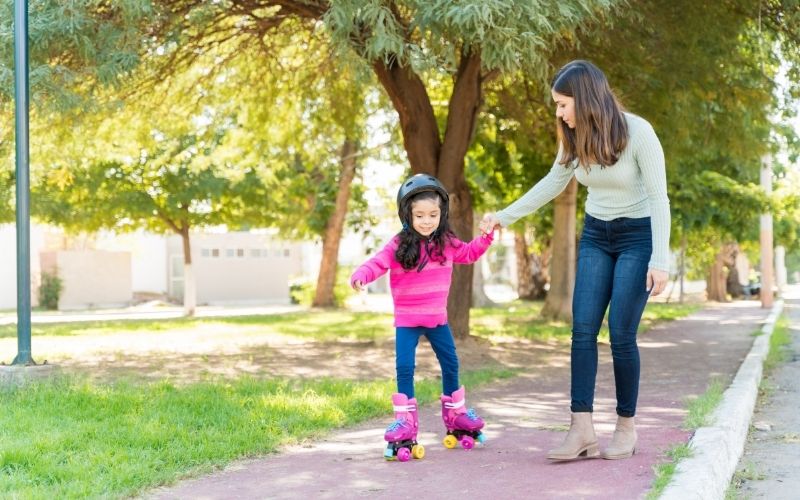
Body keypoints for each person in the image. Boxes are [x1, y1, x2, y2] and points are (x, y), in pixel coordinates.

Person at [480, 60, 670, 461]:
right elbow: (553, 182)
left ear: (584, 99)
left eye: (563, 104)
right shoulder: (574, 137)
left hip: (638, 237)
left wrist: (661, 259)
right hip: (598, 235)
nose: (559, 113)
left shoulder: (638, 132)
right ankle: (581, 428)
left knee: (620, 333)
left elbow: (658, 198)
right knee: (582, 329)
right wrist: (502, 216)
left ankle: (626, 427)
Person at [351, 174, 493, 461]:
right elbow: (377, 262)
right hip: (407, 320)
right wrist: (361, 275)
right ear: (408, 215)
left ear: (441, 215)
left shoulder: (447, 242)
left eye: (433, 215)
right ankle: (405, 422)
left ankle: (457, 417)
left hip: (437, 319)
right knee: (405, 368)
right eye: (419, 215)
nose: (427, 221)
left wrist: (486, 237)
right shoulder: (399, 244)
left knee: (451, 363)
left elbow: (468, 253)